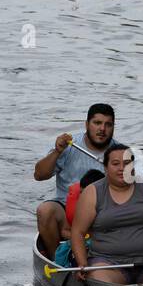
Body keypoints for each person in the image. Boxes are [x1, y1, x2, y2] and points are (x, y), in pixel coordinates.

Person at [70, 145, 143, 285]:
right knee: (100, 281)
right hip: (109, 265)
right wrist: (82, 263)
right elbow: (78, 232)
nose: (122, 168)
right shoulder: (92, 193)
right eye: (115, 164)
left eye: (126, 163)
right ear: (106, 168)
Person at [33, 104, 120, 258]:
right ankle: (59, 260)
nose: (102, 129)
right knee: (44, 211)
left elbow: (140, 183)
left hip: (102, 214)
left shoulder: (120, 153)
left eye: (108, 124)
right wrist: (57, 152)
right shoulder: (68, 147)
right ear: (87, 124)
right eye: (97, 123)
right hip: (67, 211)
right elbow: (39, 175)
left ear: (113, 127)